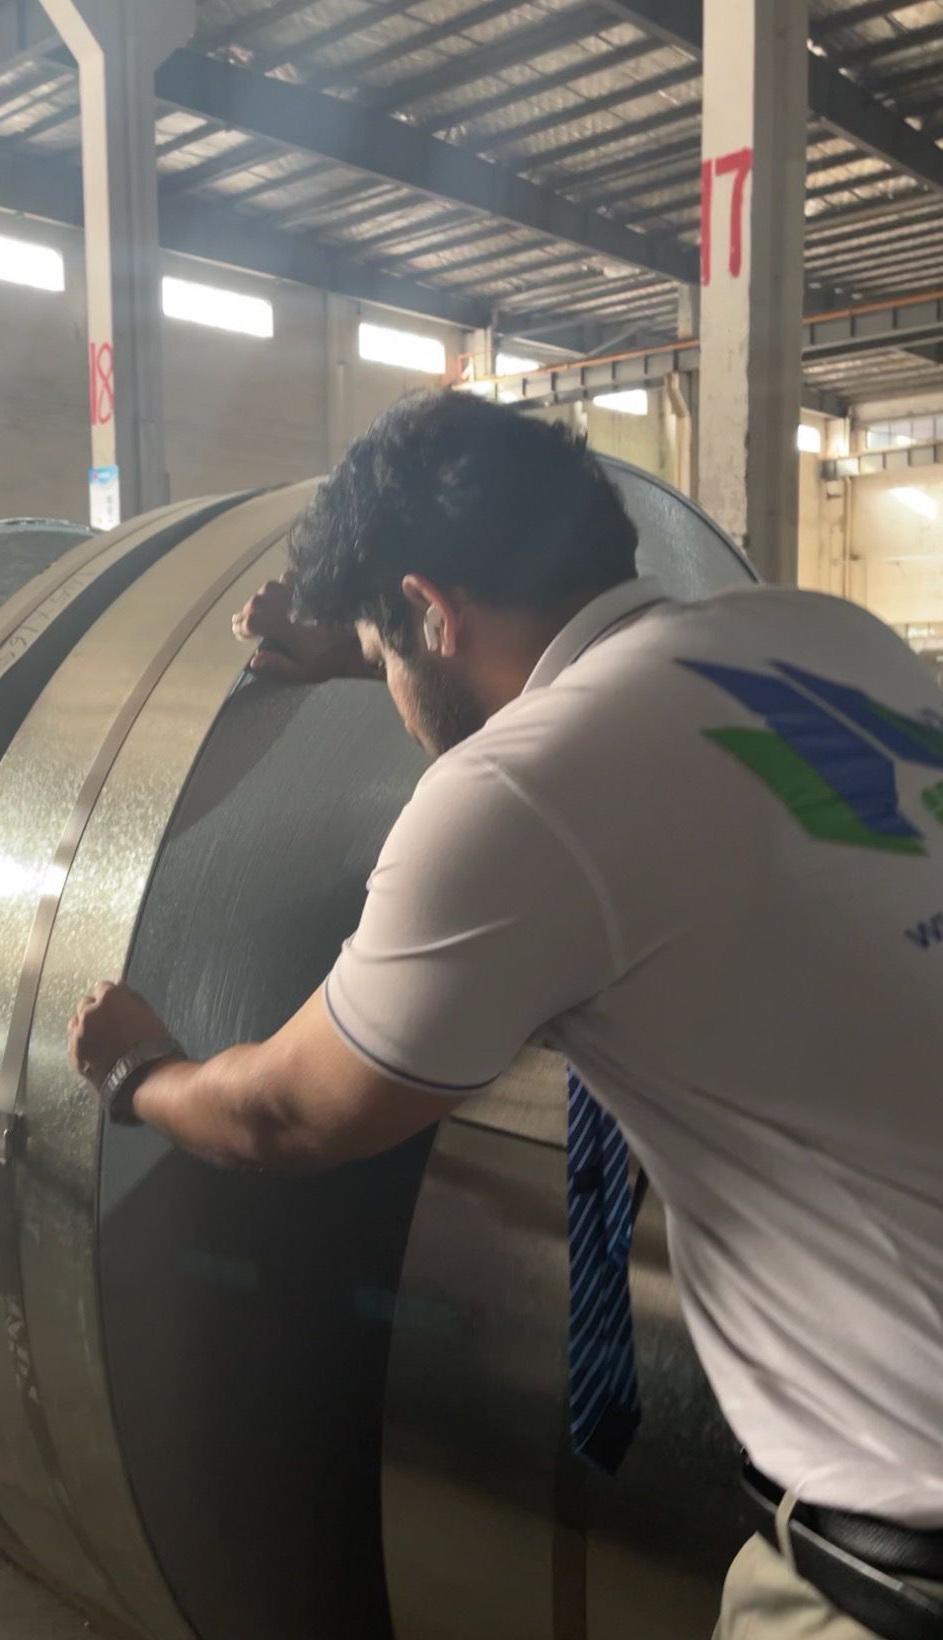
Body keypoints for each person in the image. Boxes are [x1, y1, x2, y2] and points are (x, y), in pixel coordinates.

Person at [67, 389, 943, 1640]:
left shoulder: (520, 788)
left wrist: (140, 1069)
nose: (387, 682)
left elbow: (290, 1114)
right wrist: (373, 653)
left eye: (386, 647)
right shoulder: (824, 633)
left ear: (432, 609)